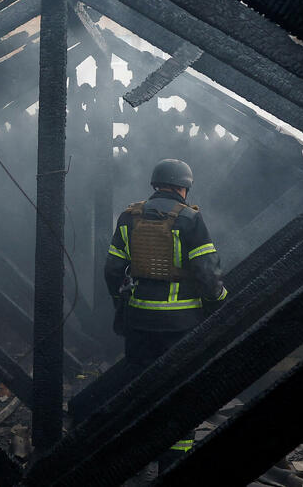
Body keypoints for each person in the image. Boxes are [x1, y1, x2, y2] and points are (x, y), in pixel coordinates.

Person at [104, 158, 228, 472]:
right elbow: (206, 271)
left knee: (141, 387)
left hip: (140, 322)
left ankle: (135, 456)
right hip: (181, 325)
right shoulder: (189, 219)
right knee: (179, 391)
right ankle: (173, 462)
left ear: (155, 185)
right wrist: (221, 299)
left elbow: (113, 270)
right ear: (183, 187)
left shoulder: (128, 216)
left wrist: (122, 302)